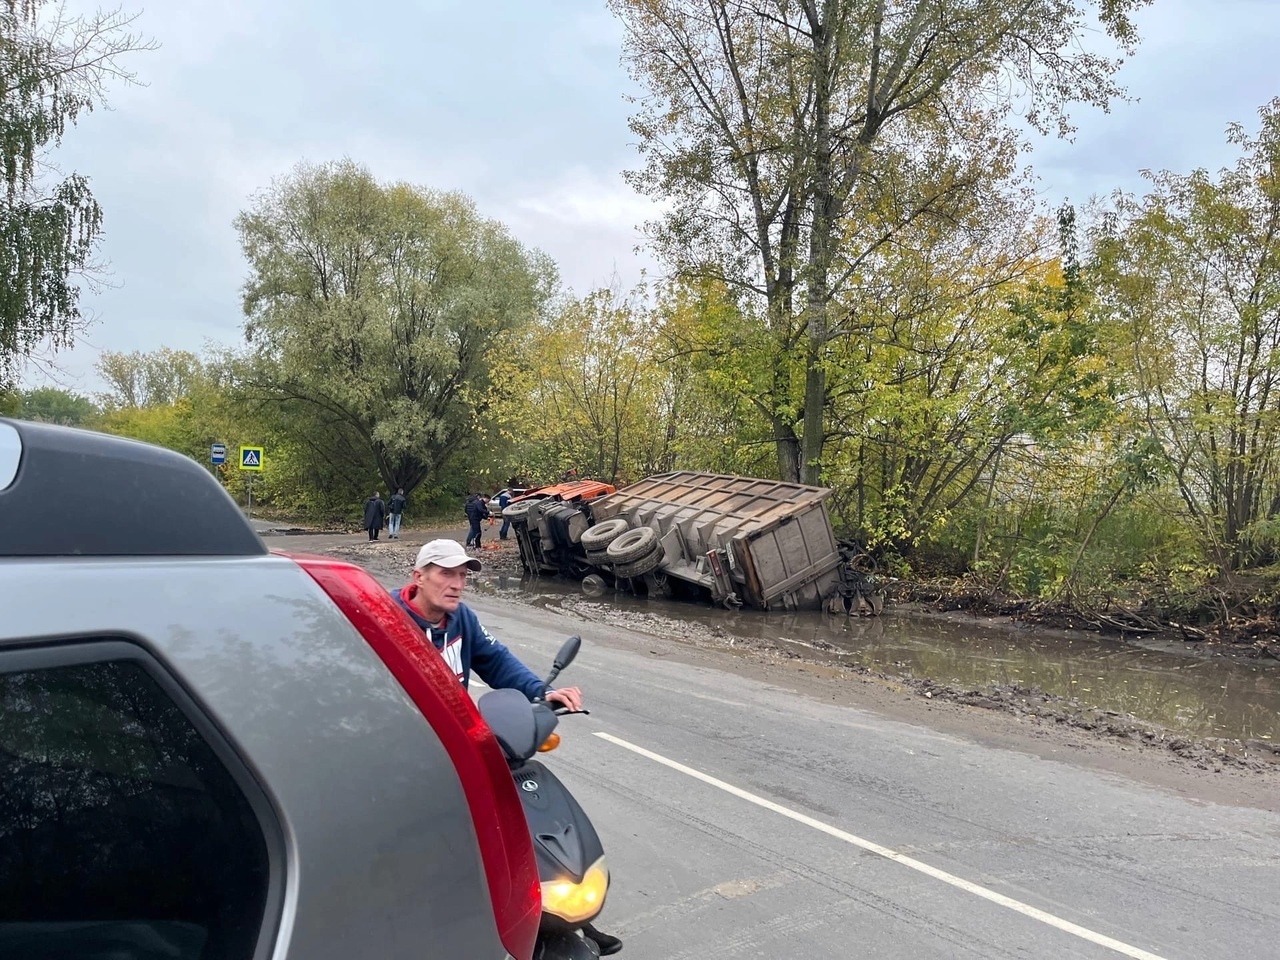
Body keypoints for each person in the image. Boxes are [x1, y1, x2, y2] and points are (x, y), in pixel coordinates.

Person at [391, 539, 583, 710]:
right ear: (419, 577)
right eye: (446, 573)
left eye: (462, 575)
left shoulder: (462, 617)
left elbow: (497, 661)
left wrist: (542, 692)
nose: (457, 584)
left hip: (451, 735)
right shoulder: (388, 618)